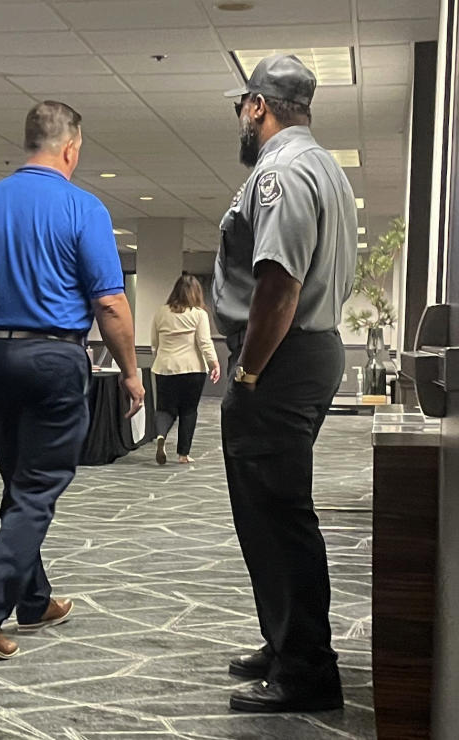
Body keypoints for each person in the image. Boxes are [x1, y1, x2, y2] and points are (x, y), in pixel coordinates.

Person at [0, 101, 145, 660]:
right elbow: (110, 304)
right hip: (54, 358)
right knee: (38, 489)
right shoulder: (82, 207)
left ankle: (34, 599)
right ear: (71, 147)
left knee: (21, 481)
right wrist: (133, 373)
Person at [214, 54, 357, 712]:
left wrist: (247, 370)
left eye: (241, 108)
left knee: (278, 517)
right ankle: (285, 640)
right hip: (307, 353)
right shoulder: (323, 165)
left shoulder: (282, 171)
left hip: (280, 359)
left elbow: (279, 284)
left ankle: (306, 669)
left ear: (257, 107)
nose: (241, 120)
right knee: (268, 513)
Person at [150, 273, 221, 465]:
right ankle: (183, 454)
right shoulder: (199, 314)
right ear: (197, 293)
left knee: (164, 408)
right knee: (188, 411)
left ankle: (160, 436)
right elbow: (204, 342)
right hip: (192, 369)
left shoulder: (161, 312)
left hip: (164, 368)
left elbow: (154, 342)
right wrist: (214, 363)